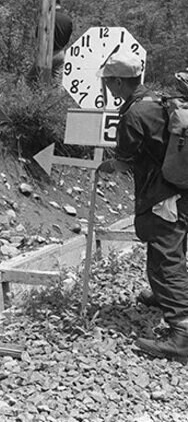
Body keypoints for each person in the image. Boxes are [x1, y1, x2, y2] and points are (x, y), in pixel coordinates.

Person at [97, 51, 188, 359]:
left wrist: (108, 166)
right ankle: (167, 298)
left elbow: (123, 162)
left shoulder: (133, 114)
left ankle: (182, 334)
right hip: (181, 190)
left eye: (108, 82)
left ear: (119, 82)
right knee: (172, 246)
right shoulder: (159, 101)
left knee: (165, 258)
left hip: (165, 195)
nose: (108, 88)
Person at [52, 0, 73, 81]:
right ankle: (56, 94)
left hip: (47, 54)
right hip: (61, 53)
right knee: (57, 81)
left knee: (30, 78)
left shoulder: (48, 17)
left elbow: (38, 34)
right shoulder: (68, 19)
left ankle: (39, 93)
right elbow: (68, 36)